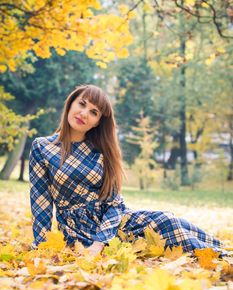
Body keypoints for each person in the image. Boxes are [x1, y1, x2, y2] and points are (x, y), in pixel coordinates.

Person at [29, 84, 225, 256]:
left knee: (170, 219)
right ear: (71, 103)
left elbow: (113, 203)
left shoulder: (101, 152)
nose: (84, 113)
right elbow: (41, 202)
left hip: (113, 222)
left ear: (98, 122)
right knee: (167, 223)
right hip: (79, 232)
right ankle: (219, 256)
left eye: (94, 112)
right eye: (82, 104)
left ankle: (220, 251)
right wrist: (41, 245)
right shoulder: (43, 147)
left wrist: (100, 242)